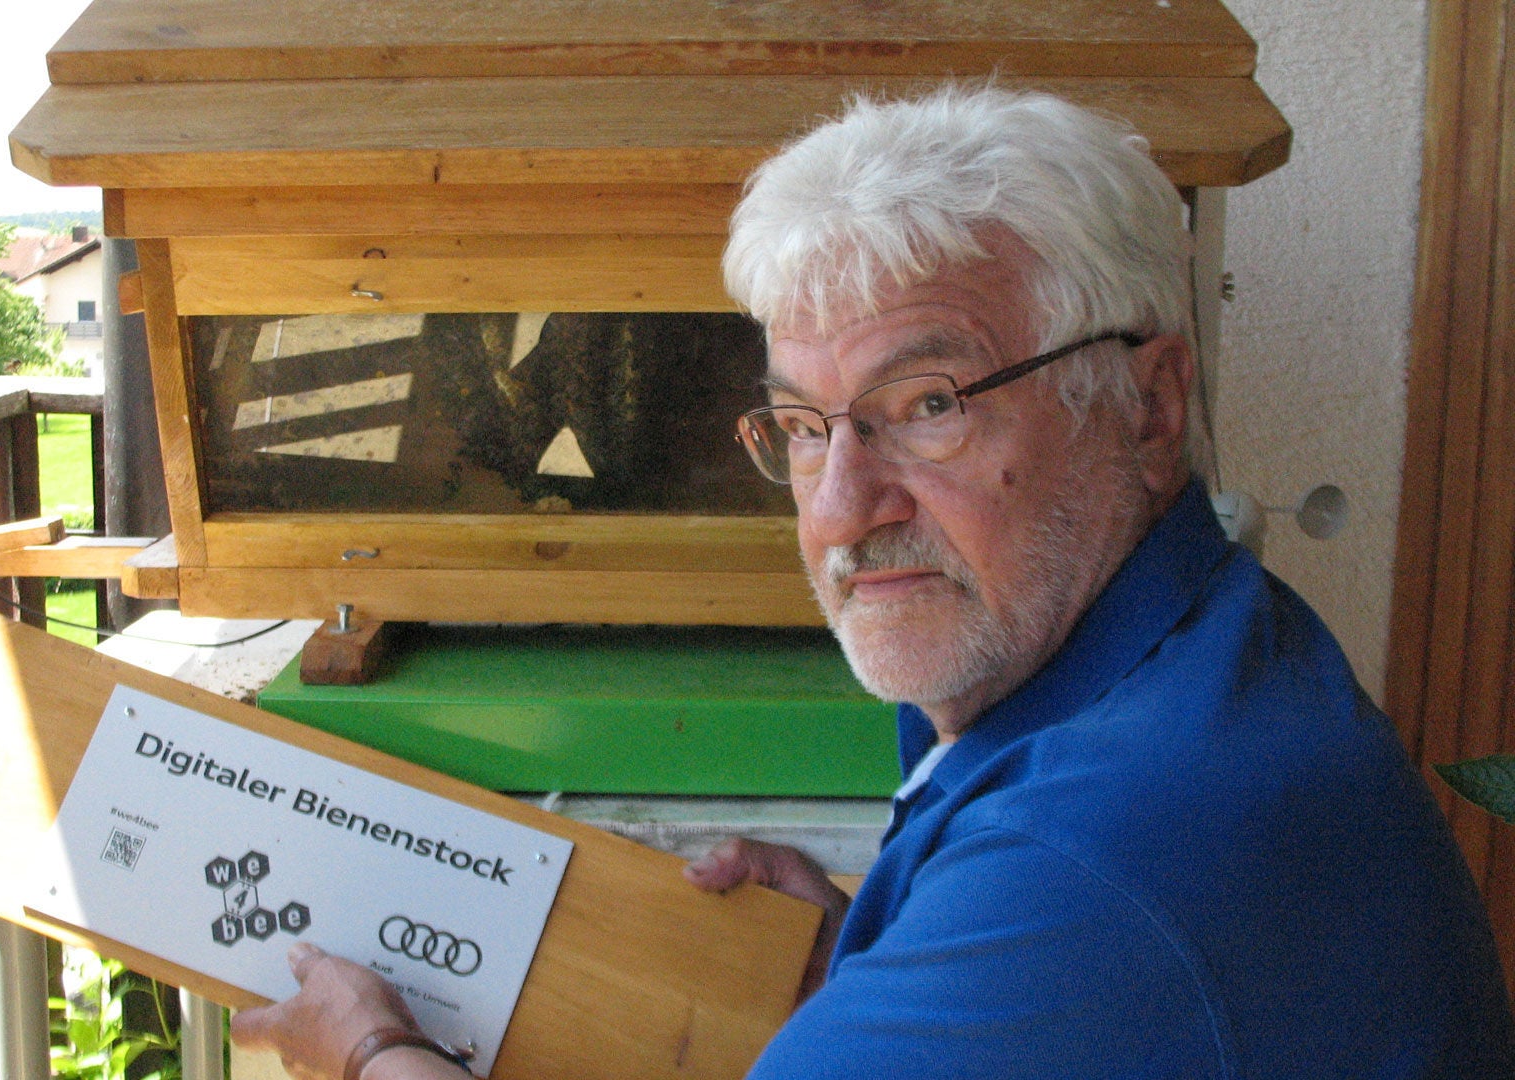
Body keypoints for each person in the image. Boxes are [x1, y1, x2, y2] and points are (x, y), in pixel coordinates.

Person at [227, 85, 1515, 1078]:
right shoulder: (1187, 649)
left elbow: (1092, 922)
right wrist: (881, 952)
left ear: (1150, 404)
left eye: (930, 403)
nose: (841, 510)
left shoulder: (1094, 866)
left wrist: (372, 1051)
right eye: (803, 426)